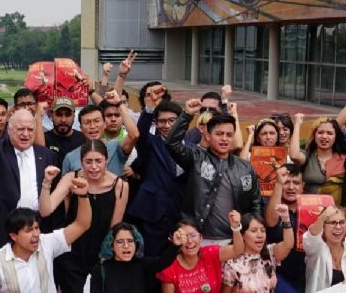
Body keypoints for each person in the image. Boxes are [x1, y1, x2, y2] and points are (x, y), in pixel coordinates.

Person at [0, 179, 93, 293]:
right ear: (13, 236)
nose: (36, 234)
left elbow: (82, 224)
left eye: (37, 228)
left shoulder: (47, 243)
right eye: (29, 230)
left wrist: (83, 196)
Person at [40, 141, 128, 293]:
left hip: (101, 255)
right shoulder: (71, 178)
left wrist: (106, 258)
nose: (94, 167)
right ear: (81, 162)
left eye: (98, 161)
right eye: (88, 162)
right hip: (72, 253)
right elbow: (46, 210)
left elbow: (115, 228)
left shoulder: (120, 185)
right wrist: (46, 184)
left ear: (106, 160)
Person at [166, 98, 261, 244]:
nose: (224, 139)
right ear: (208, 136)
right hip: (199, 240)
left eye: (229, 135)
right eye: (219, 134)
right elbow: (172, 143)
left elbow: (255, 205)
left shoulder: (245, 168)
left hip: (234, 241)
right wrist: (186, 115)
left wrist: (252, 235)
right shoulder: (196, 158)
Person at [0, 108, 55, 251]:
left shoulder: (46, 155)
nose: (25, 134)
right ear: (9, 130)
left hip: (35, 228)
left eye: (30, 129)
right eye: (20, 129)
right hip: (0, 228)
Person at [130, 88, 184, 257]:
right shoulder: (150, 143)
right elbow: (140, 133)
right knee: (153, 262)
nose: (166, 125)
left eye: (171, 120)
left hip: (180, 214)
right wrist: (149, 108)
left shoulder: (190, 148)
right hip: (153, 214)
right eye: (162, 121)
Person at [157, 211, 244, 293]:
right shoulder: (169, 266)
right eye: (184, 237)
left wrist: (236, 228)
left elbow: (237, 250)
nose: (189, 241)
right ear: (176, 240)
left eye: (193, 235)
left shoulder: (211, 253)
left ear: (201, 238)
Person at [87, 222, 176, 293]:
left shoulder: (142, 264)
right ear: (111, 246)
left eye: (130, 241)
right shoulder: (99, 269)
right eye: (120, 242)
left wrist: (176, 245)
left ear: (136, 243)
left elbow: (162, 262)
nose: (126, 246)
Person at [221, 208, 293, 293]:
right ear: (242, 235)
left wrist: (285, 218)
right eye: (254, 231)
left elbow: (288, 244)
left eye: (263, 231)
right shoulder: (231, 262)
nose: (260, 235)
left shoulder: (270, 253)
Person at [61, 93, 139, 177]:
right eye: (87, 122)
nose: (92, 126)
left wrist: (119, 103)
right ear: (81, 128)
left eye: (97, 121)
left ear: (105, 124)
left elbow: (134, 135)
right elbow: (66, 187)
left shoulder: (116, 148)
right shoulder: (70, 157)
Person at [303, 206, 346, 293]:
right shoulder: (316, 249)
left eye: (342, 222)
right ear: (323, 226)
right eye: (333, 222)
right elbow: (311, 238)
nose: (338, 227)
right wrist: (323, 216)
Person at [264, 164, 307, 293]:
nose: (291, 187)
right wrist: (278, 184)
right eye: (286, 182)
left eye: (296, 183)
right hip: (277, 272)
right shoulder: (269, 203)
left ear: (303, 186)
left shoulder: (311, 207)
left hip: (306, 271)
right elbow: (271, 221)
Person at [289, 115, 346, 194]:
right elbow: (294, 155)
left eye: (329, 133)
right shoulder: (308, 155)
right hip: (309, 203)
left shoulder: (344, 159)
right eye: (320, 133)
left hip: (335, 204)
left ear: (335, 137)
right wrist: (297, 124)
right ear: (314, 135)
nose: (324, 136)